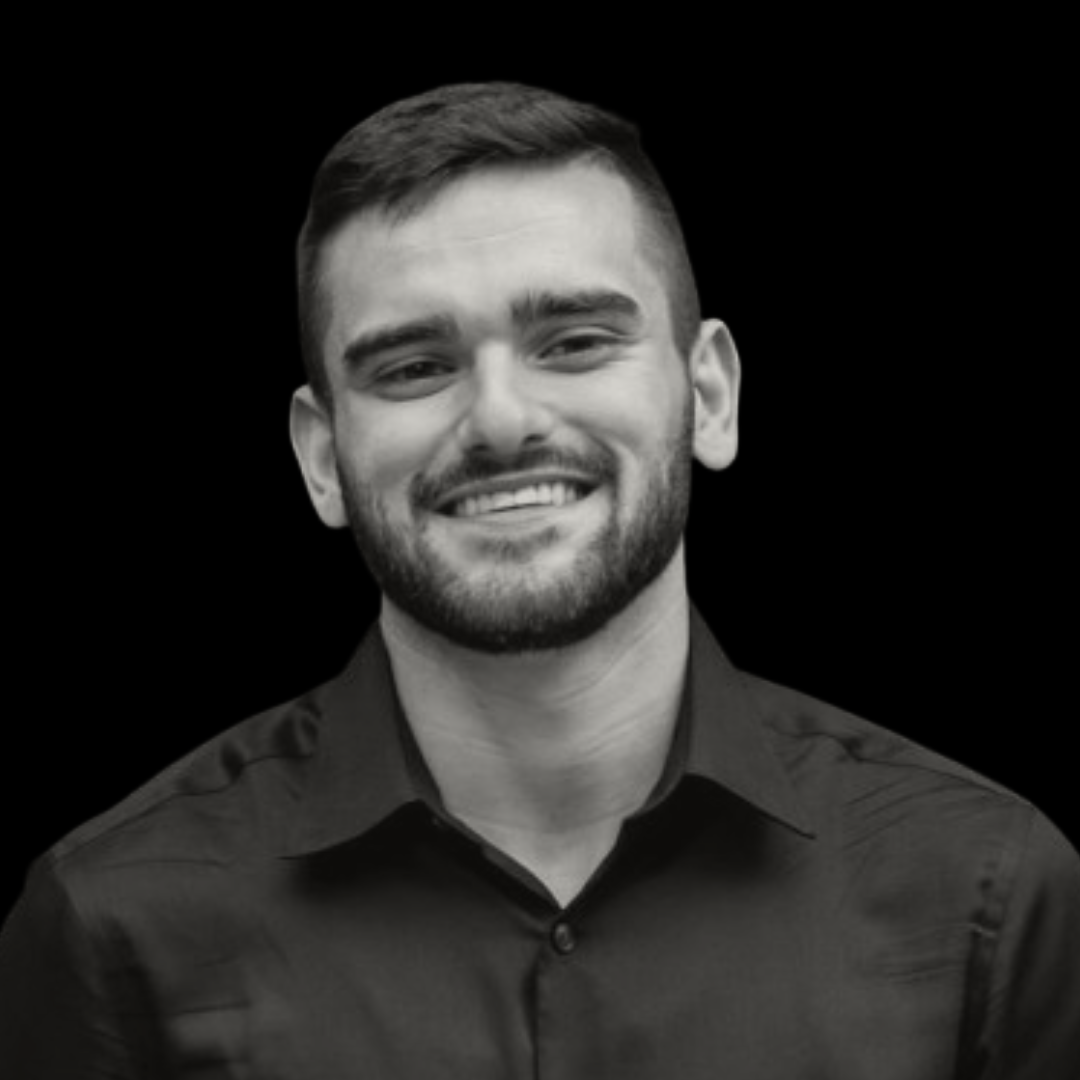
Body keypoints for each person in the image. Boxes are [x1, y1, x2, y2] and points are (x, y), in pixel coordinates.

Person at [1, 81, 1077, 1078]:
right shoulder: (114, 926)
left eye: (574, 341)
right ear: (322, 458)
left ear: (708, 396)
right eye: (415, 367)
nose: (502, 420)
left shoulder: (986, 891)